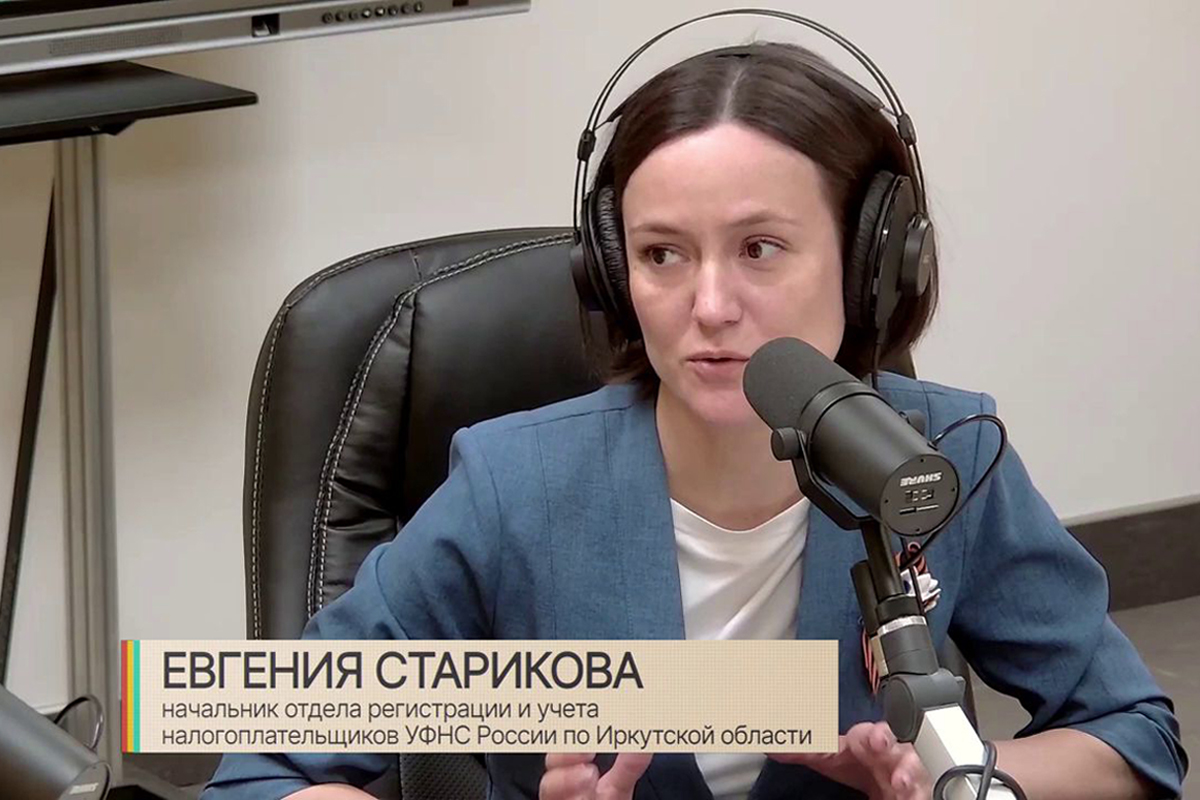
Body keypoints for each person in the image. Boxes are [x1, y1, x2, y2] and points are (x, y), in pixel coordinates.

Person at [202, 29, 1187, 800]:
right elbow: (265, 762)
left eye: (760, 248)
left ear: (870, 264)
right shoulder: (512, 485)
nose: (708, 306)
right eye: (662, 254)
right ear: (611, 272)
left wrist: (962, 780)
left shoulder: (944, 460)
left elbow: (1132, 734)